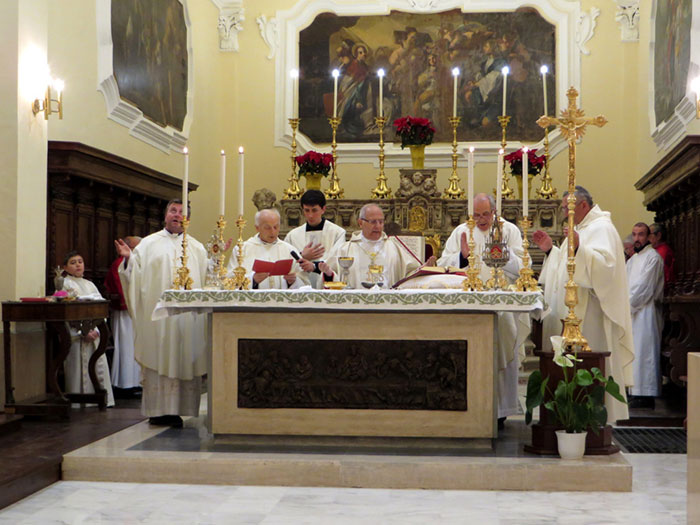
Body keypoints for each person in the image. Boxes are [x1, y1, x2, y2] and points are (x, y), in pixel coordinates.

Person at [533, 186, 634, 423]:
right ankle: (569, 417)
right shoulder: (583, 228)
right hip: (575, 314)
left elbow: (606, 269)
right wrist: (551, 250)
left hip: (592, 317)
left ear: (583, 206)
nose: (562, 214)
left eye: (565, 209)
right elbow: (568, 266)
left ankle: (592, 421)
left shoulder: (602, 228)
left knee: (588, 367)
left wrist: (579, 248)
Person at [115, 199, 208, 427]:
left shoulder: (196, 247)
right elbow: (133, 276)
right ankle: (158, 411)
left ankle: (181, 408)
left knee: (183, 355)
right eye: (173, 211)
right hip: (158, 318)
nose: (177, 215)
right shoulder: (148, 244)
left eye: (182, 212)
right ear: (165, 215)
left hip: (186, 320)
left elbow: (207, 280)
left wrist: (217, 261)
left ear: (188, 218)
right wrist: (128, 261)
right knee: (159, 357)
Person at [437, 193, 526, 427]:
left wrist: (501, 253)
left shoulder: (509, 231)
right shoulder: (461, 232)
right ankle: (469, 407)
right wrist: (461, 257)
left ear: (494, 212)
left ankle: (500, 410)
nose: (481, 220)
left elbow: (522, 267)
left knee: (503, 347)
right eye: (476, 215)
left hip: (502, 304)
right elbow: (443, 265)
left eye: (485, 214)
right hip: (469, 305)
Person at [61, 251, 115, 407]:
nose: (78, 265)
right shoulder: (64, 283)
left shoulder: (90, 284)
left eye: (80, 261)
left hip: (95, 334)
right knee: (78, 368)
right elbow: (68, 311)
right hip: (78, 336)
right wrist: (82, 332)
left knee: (98, 364)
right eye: (73, 262)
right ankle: (80, 402)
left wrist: (97, 330)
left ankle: (100, 399)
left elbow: (100, 308)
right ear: (65, 267)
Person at [324, 204, 423, 289]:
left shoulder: (394, 248)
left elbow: (411, 274)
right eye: (373, 222)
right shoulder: (345, 250)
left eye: (381, 222)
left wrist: (424, 268)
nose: (378, 226)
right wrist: (329, 274)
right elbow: (331, 277)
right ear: (360, 223)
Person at [626, 222, 664, 409]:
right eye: (634, 234)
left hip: (646, 312)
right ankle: (634, 391)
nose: (637, 238)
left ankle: (646, 394)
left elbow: (645, 287)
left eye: (641, 234)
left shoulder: (653, 258)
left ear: (649, 237)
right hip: (632, 311)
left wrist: (628, 305)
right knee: (635, 352)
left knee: (645, 352)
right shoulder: (633, 260)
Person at [229, 208, 308, 289]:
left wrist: (292, 282)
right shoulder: (241, 250)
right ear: (257, 228)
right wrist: (252, 280)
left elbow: (304, 283)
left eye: (276, 227)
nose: (272, 232)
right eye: (267, 227)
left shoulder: (289, 250)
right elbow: (230, 281)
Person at [284, 190, 346, 289]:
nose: (310, 215)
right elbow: (285, 262)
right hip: (300, 289)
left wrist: (314, 266)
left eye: (314, 210)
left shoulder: (337, 233)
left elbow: (337, 261)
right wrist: (302, 255)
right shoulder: (293, 235)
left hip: (327, 288)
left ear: (323, 209)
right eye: (306, 210)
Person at [104, 236, 142, 393]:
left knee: (134, 347)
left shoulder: (138, 263)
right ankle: (124, 384)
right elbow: (122, 288)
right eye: (138, 247)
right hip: (125, 311)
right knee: (126, 347)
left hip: (136, 310)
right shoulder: (121, 263)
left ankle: (135, 382)